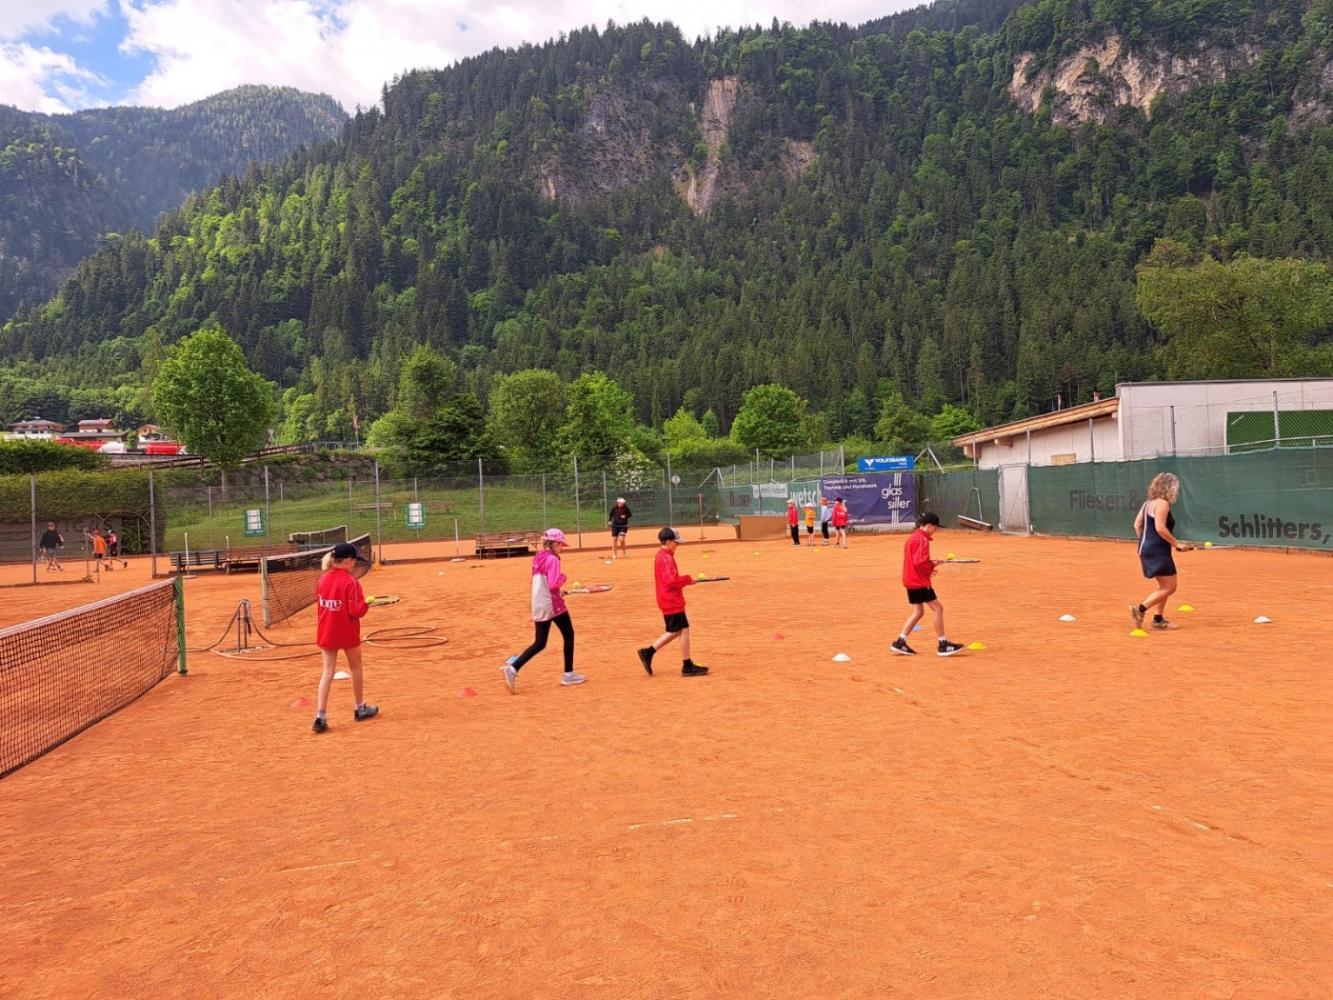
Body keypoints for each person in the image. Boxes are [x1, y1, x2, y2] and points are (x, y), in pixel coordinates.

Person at [501, 528, 585, 693]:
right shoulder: (553, 559)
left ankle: (513, 668)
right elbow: (553, 583)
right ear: (555, 543)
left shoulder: (538, 557)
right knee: (569, 634)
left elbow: (544, 583)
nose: (562, 548)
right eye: (561, 544)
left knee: (540, 642)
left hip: (539, 602)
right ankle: (568, 674)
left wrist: (558, 591)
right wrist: (564, 578)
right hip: (552, 604)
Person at [312, 542, 377, 732]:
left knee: (327, 673)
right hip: (347, 631)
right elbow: (356, 611)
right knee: (356, 668)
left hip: (327, 631)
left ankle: (320, 717)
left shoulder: (322, 580)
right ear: (348, 561)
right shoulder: (351, 582)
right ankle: (359, 708)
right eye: (354, 561)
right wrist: (366, 604)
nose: (355, 564)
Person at [890, 512, 965, 657]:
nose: (935, 530)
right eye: (935, 527)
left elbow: (917, 561)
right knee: (938, 608)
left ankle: (900, 642)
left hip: (910, 579)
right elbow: (919, 562)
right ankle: (943, 644)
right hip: (919, 581)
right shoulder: (922, 540)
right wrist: (930, 567)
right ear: (929, 526)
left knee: (918, 612)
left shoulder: (913, 537)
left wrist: (931, 564)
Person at [637, 527, 709, 677]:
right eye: (676, 542)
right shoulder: (666, 558)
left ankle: (650, 653)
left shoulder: (662, 555)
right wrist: (687, 579)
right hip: (671, 599)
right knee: (681, 629)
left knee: (678, 629)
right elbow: (671, 580)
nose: (678, 545)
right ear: (668, 542)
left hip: (668, 598)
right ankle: (684, 665)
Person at [1131, 472, 1192, 631]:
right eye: (1174, 488)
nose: (1175, 491)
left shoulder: (1148, 503)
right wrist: (1176, 543)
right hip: (1157, 551)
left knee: (1164, 586)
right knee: (1170, 587)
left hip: (1148, 549)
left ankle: (1158, 619)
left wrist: (1148, 542)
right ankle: (1140, 609)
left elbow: (1137, 525)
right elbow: (1160, 528)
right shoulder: (1162, 503)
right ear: (1169, 488)